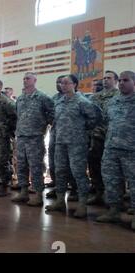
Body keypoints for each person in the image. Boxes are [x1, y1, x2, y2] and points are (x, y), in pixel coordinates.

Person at [45, 74, 102, 218]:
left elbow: (95, 118)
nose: (63, 85)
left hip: (77, 143)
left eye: (66, 83)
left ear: (74, 84)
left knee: (78, 173)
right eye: (62, 83)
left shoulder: (82, 101)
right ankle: (59, 201)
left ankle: (82, 204)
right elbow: (55, 120)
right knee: (60, 171)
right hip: (60, 142)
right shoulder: (59, 102)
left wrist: (82, 130)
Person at [95, 71, 135, 231]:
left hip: (131, 150)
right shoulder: (113, 101)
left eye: (126, 80)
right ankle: (114, 211)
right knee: (111, 180)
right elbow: (105, 121)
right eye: (121, 81)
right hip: (111, 148)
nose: (122, 83)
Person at [11, 72, 54, 207]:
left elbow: (52, 113)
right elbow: (17, 115)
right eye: (24, 78)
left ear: (35, 80)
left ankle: (38, 194)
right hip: (22, 136)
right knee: (21, 165)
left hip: (35, 137)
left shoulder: (42, 97)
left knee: (36, 166)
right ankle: (24, 191)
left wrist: (43, 125)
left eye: (28, 78)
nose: (25, 80)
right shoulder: (21, 98)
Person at [87, 71, 120, 206]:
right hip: (96, 137)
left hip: (114, 138)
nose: (105, 80)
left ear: (116, 81)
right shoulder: (95, 97)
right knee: (94, 165)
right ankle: (99, 193)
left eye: (109, 78)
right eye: (104, 78)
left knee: (114, 169)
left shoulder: (120, 96)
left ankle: (116, 198)